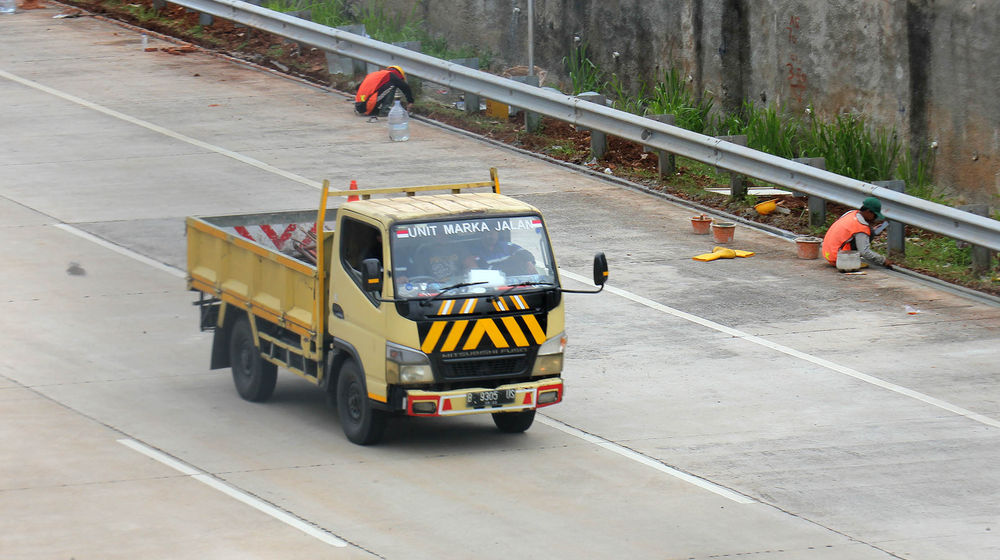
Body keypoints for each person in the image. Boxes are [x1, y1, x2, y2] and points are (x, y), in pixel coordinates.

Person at [822, 197, 891, 268]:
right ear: (868, 211)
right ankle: (851, 261)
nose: (875, 218)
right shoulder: (861, 227)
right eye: (875, 215)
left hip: (828, 253)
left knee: (869, 231)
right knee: (867, 233)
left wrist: (871, 231)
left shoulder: (851, 213)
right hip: (838, 259)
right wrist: (883, 260)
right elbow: (865, 252)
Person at [465, 229, 537, 275]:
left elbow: (524, 252)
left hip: (515, 283)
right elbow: (482, 271)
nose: (492, 236)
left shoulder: (506, 245)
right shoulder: (474, 252)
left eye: (494, 233)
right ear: (482, 235)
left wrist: (528, 262)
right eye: (489, 233)